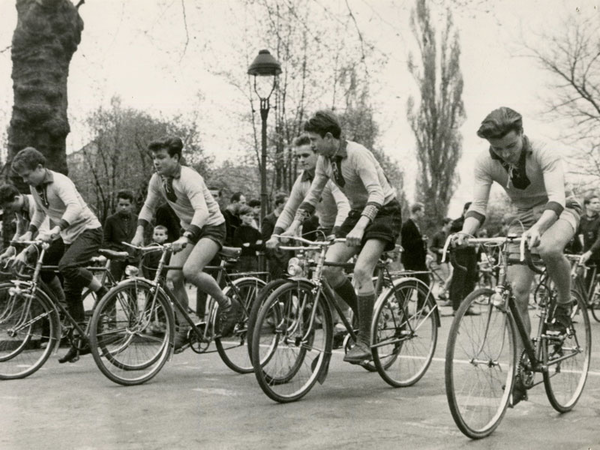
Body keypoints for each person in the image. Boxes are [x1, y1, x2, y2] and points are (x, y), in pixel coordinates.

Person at [452, 107, 581, 406]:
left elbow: (558, 199)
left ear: (522, 134)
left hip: (560, 210)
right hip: (522, 217)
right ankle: (524, 366)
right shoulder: (485, 161)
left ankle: (565, 304)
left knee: (549, 248)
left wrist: (539, 228)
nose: (506, 154)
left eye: (511, 146)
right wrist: (466, 232)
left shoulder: (545, 152)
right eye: (499, 149)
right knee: (517, 294)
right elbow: (478, 206)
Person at [276, 110, 402, 364]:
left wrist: (359, 228)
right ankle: (364, 314)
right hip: (358, 213)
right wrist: (292, 227)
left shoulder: (357, 154)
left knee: (361, 270)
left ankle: (365, 340)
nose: (311, 145)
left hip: (384, 212)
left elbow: (376, 194)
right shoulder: (325, 160)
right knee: (330, 269)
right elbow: (312, 197)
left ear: (329, 137)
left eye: (313, 140)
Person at [132, 136, 241, 352]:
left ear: (175, 157)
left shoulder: (189, 178)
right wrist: (139, 232)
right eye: (154, 158)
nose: (156, 162)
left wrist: (186, 237)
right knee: (172, 277)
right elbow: (148, 207)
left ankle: (228, 305)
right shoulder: (157, 180)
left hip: (211, 227)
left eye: (161, 157)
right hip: (190, 228)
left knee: (191, 270)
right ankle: (184, 326)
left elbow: (202, 212)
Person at [11, 147, 107, 363]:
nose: (26, 181)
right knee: (70, 291)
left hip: (89, 231)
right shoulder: (37, 186)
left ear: (40, 167)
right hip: (70, 235)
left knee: (66, 266)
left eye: (27, 175)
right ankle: (80, 341)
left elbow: (74, 207)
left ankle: (102, 291)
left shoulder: (60, 182)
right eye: (22, 177)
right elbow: (40, 212)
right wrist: (30, 232)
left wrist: (57, 228)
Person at [267, 135, 350, 242]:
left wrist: (336, 231)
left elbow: (344, 206)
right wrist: (275, 235)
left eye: (305, 155)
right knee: (315, 257)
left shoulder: (332, 174)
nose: (301, 160)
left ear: (318, 154)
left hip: (345, 226)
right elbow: (289, 210)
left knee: (334, 257)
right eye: (298, 156)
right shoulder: (301, 181)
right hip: (325, 228)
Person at [0, 184, 66, 307]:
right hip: (48, 238)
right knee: (37, 267)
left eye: (9, 207)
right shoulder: (19, 208)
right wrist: (8, 252)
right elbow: (19, 232)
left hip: (60, 237)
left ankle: (63, 302)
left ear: (16, 198)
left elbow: (44, 234)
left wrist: (25, 253)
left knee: (45, 267)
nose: (9, 211)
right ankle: (53, 303)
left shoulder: (34, 204)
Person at [449, 202, 479, 315]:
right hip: (460, 255)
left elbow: (475, 239)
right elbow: (452, 239)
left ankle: (467, 307)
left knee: (470, 280)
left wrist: (474, 244)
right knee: (459, 280)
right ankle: (456, 308)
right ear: (465, 210)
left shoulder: (473, 224)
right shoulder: (457, 223)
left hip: (471, 255)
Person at [103, 190, 137, 281]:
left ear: (132, 205)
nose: (124, 208)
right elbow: (105, 241)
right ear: (117, 205)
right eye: (121, 205)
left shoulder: (136, 219)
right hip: (116, 259)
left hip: (133, 258)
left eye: (126, 205)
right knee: (113, 284)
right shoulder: (110, 220)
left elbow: (140, 238)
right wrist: (114, 252)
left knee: (132, 286)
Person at [400, 202, 430, 301]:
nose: (423, 214)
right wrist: (421, 240)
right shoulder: (407, 225)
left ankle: (420, 308)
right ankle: (403, 309)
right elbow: (406, 244)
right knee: (409, 286)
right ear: (417, 212)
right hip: (411, 261)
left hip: (418, 261)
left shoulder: (416, 224)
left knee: (424, 283)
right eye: (422, 211)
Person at [262, 192, 290, 280]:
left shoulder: (289, 218)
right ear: (279, 204)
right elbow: (265, 239)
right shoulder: (269, 219)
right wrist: (272, 257)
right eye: (287, 202)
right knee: (277, 283)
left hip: (288, 256)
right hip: (276, 259)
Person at [578, 193, 600, 292]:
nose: (598, 205)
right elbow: (574, 235)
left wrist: (589, 252)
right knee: (586, 282)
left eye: (598, 202)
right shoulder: (581, 219)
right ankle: (583, 304)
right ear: (587, 205)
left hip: (596, 253)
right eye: (594, 203)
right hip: (588, 255)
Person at [233, 205, 263, 272]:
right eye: (247, 215)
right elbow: (238, 245)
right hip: (241, 259)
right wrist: (254, 245)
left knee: (253, 279)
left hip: (253, 259)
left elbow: (261, 246)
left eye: (252, 215)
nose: (250, 218)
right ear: (241, 217)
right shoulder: (238, 230)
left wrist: (249, 245)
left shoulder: (255, 232)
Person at [430, 217, 452, 303]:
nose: (451, 225)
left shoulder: (450, 235)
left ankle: (446, 295)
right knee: (447, 277)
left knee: (451, 276)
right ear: (445, 224)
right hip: (441, 259)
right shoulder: (437, 235)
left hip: (449, 258)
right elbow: (431, 247)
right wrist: (439, 250)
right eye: (450, 223)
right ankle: (443, 294)